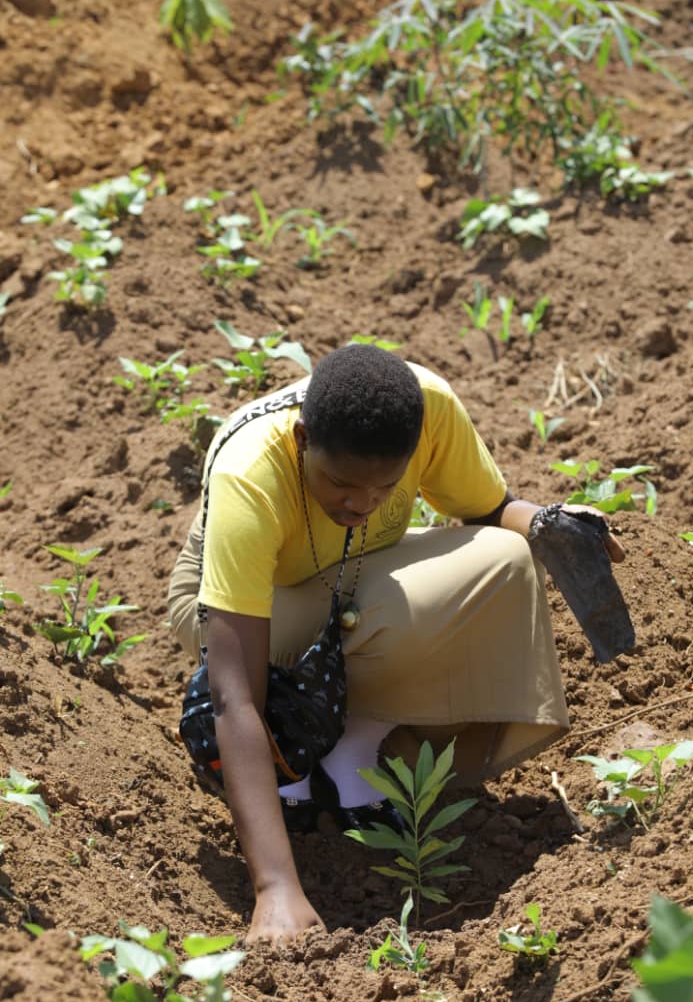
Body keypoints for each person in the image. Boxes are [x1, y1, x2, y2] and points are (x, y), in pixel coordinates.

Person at [167, 344, 624, 945]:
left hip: (345, 569)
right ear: (303, 439)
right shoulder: (251, 476)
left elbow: (489, 510)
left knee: (507, 559)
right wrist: (275, 888)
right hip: (232, 603)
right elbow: (234, 694)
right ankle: (291, 766)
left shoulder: (426, 406)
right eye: (340, 484)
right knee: (358, 616)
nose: (360, 503)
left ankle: (355, 744)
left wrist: (545, 523)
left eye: (384, 487)